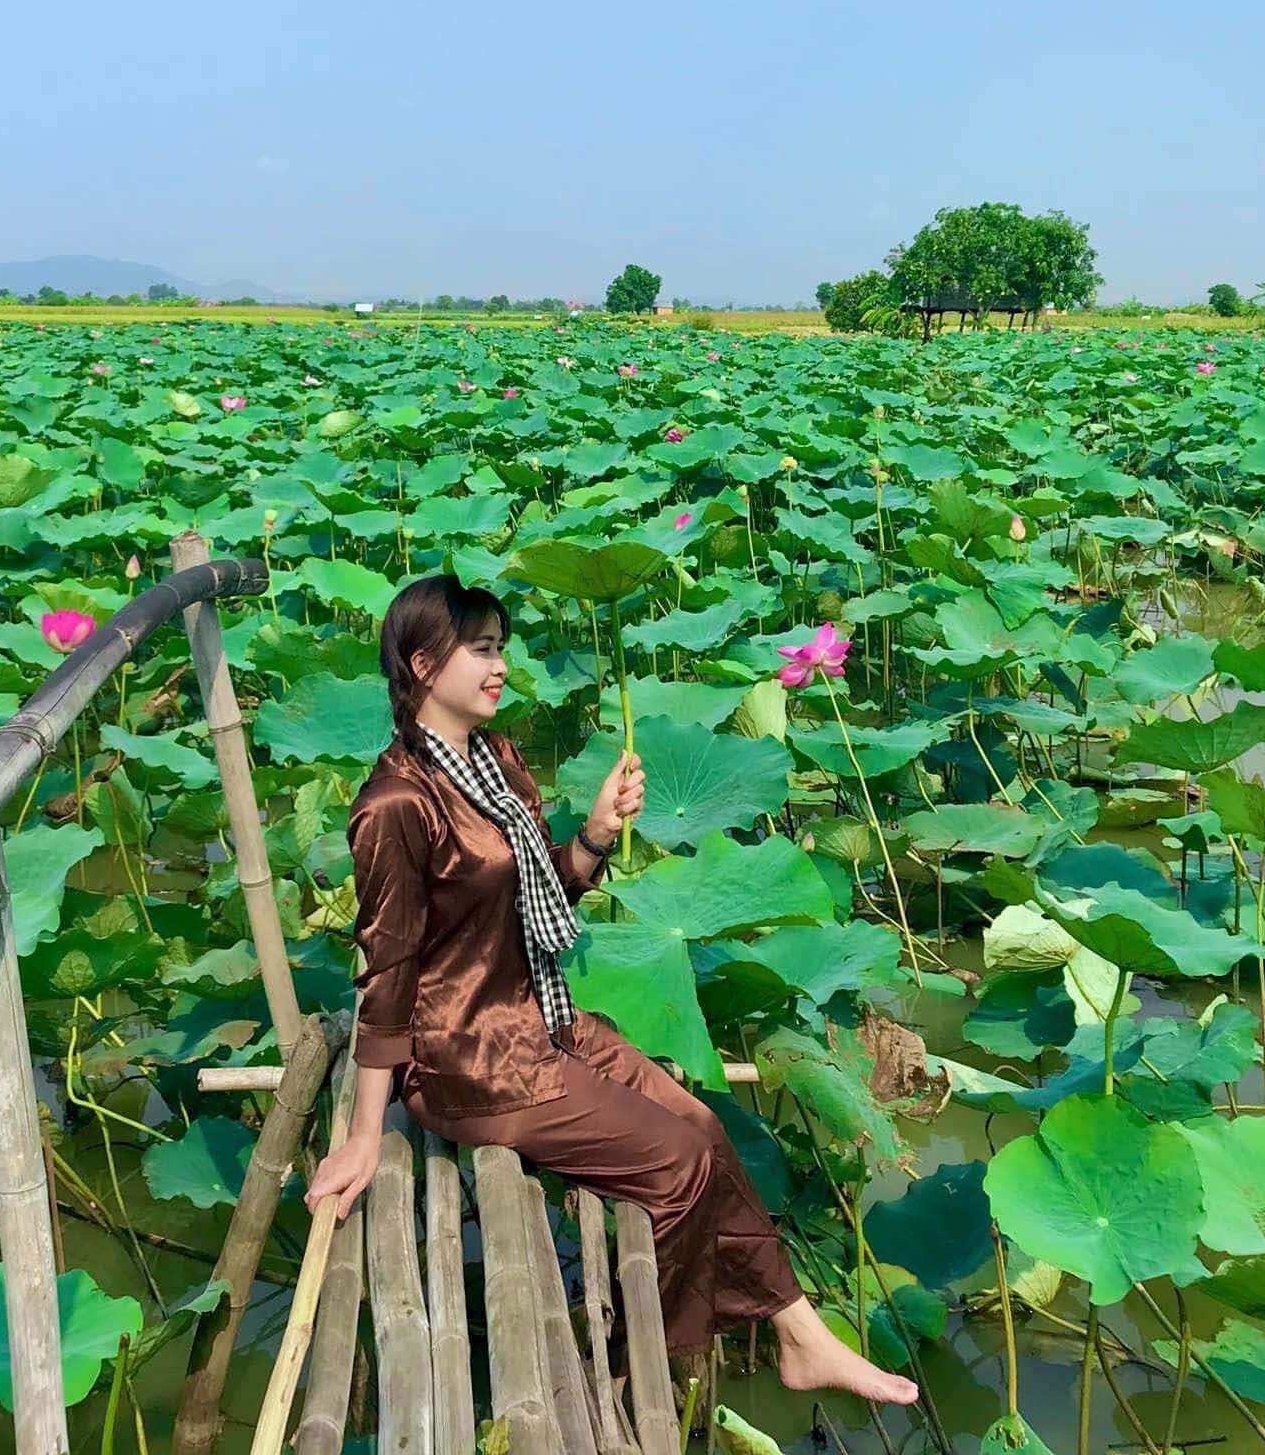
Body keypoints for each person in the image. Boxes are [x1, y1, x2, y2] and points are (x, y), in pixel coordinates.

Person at [304, 573, 918, 1405]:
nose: (499, 664)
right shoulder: (395, 804)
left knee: (705, 1125)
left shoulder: (495, 762)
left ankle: (801, 1338)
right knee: (678, 1165)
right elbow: (388, 968)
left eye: (500, 646)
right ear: (421, 664)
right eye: (480, 650)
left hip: (545, 1019)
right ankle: (630, 1377)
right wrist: (368, 1134)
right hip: (471, 1061)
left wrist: (593, 836)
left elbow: (533, 902)